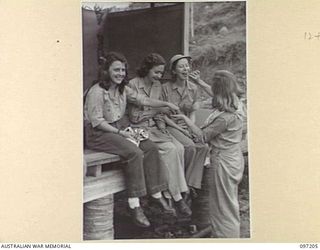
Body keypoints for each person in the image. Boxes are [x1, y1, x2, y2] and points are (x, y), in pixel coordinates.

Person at [83, 52, 180, 227]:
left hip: (119, 128)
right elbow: (97, 122)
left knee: (149, 147)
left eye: (122, 70)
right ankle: (134, 205)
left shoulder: (123, 89)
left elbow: (143, 100)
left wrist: (166, 104)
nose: (120, 73)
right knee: (134, 152)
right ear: (106, 71)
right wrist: (121, 134)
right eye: (116, 70)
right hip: (98, 133)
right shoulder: (97, 92)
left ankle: (156, 194)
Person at [171, 70, 245, 238]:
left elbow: (202, 136)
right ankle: (226, 235)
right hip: (233, 157)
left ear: (220, 92)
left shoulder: (225, 118)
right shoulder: (236, 103)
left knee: (222, 206)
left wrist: (185, 119)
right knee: (228, 202)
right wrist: (200, 82)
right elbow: (219, 94)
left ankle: (227, 239)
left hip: (223, 161)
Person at [128, 53, 192, 217]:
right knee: (170, 149)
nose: (159, 76)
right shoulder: (133, 85)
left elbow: (156, 113)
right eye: (156, 72)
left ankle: (171, 193)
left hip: (155, 128)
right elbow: (135, 117)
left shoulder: (157, 86)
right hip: (139, 129)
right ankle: (177, 197)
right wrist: (157, 110)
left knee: (179, 148)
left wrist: (158, 118)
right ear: (147, 69)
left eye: (161, 73)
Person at [161, 54, 209, 195]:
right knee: (190, 147)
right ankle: (181, 185)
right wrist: (183, 130)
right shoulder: (165, 88)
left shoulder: (193, 88)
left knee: (203, 146)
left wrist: (191, 128)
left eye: (187, 66)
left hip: (187, 126)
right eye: (181, 66)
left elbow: (192, 113)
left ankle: (190, 183)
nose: (185, 69)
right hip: (171, 125)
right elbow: (163, 116)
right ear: (174, 71)